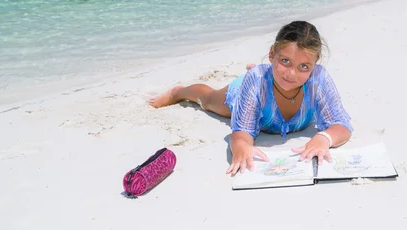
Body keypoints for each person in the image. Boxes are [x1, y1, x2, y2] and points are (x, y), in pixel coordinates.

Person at [149, 21, 353, 175]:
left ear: (315, 65)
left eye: (303, 67)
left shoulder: (318, 79)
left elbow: (341, 125)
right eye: (285, 61)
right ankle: (179, 91)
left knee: (276, 79)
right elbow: (241, 132)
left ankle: (267, 71)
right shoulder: (256, 82)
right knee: (209, 100)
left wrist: (323, 138)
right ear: (272, 54)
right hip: (245, 92)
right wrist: (241, 147)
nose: (292, 73)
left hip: (265, 82)